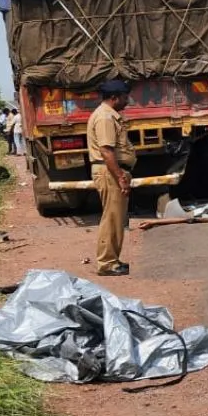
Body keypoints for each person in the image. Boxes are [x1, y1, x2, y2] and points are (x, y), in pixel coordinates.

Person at [87, 80, 135, 276]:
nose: (127, 101)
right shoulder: (105, 117)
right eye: (125, 97)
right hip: (109, 172)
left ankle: (112, 260)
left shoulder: (110, 116)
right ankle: (107, 263)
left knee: (116, 218)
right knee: (112, 218)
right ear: (114, 98)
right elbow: (106, 151)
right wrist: (120, 177)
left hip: (112, 171)